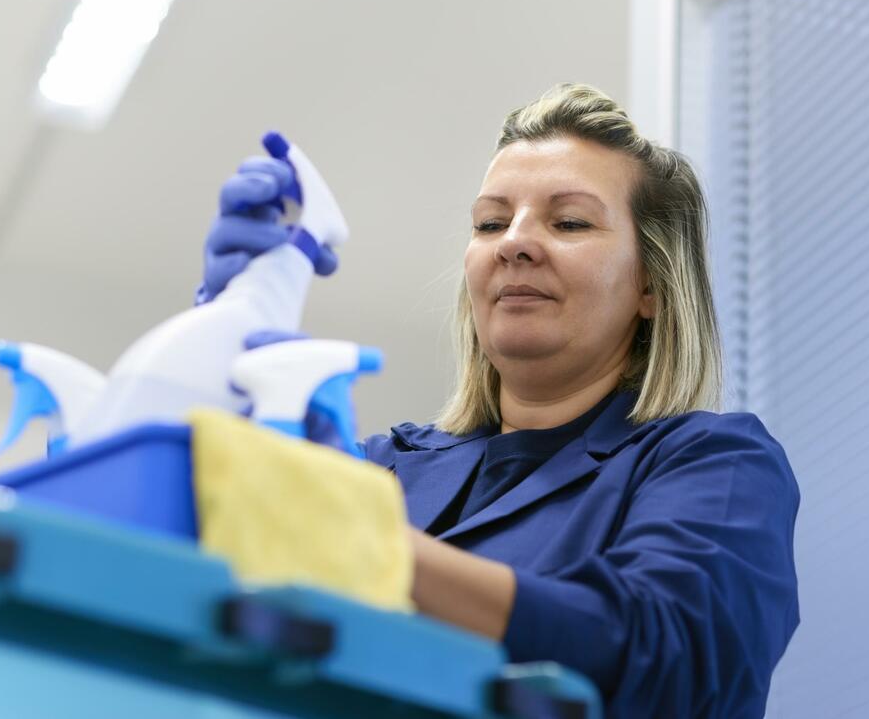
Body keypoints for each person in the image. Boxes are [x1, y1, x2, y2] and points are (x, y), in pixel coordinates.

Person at [198, 83, 800, 718]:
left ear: (651, 282)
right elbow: (196, 542)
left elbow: (673, 659)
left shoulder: (713, 461)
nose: (514, 242)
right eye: (491, 222)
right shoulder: (380, 468)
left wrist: (377, 548)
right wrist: (226, 328)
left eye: (568, 221)